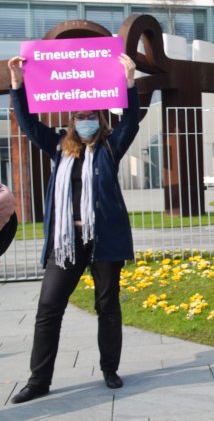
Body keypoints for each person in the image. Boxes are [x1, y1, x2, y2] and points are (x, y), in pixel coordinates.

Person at [7, 53, 140, 403]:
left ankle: (110, 370)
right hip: (65, 243)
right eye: (79, 116)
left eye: (91, 116)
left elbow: (131, 121)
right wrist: (18, 85)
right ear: (71, 120)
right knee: (48, 309)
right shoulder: (58, 149)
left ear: (100, 118)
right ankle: (39, 380)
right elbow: (28, 122)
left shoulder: (112, 146)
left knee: (107, 306)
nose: (85, 121)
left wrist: (129, 80)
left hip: (104, 241)